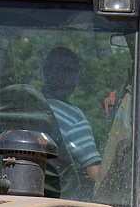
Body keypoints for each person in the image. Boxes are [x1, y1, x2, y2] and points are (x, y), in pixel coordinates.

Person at [42, 46, 101, 183]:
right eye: (64, 70)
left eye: (74, 71)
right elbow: (96, 175)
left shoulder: (23, 106)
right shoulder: (73, 117)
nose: (71, 77)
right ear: (47, 71)